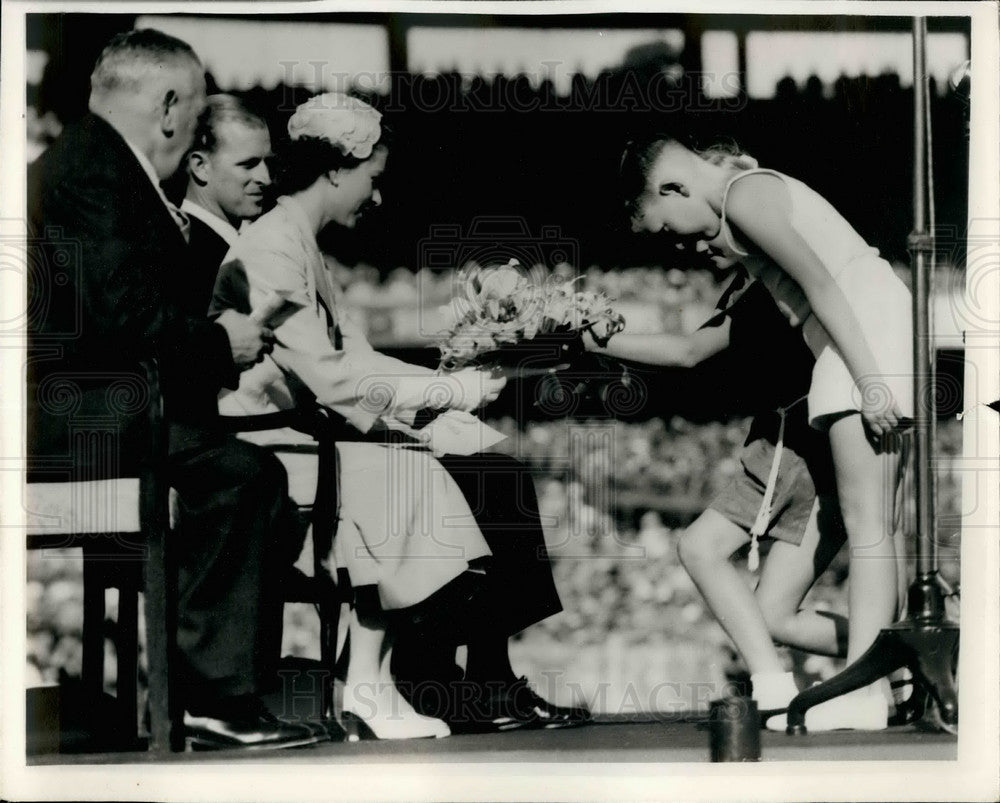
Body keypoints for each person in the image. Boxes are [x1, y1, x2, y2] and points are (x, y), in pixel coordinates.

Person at [211, 92, 590, 737]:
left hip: (316, 432)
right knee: (477, 476)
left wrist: (466, 387)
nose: (378, 197)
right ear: (336, 168)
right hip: (282, 446)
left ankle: (466, 677)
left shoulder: (298, 242)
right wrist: (458, 393)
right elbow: (334, 378)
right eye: (374, 179)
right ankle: (424, 677)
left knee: (492, 464)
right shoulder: (275, 248)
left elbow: (354, 358)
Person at [26, 29, 321, 751]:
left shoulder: (89, 163)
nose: (187, 136)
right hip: (84, 417)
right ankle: (212, 697)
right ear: (167, 107)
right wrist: (226, 342)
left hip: (94, 406)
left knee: (257, 482)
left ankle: (217, 683)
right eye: (191, 120)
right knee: (243, 477)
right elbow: (124, 317)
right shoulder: (96, 173)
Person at [618, 136, 913, 729]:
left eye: (667, 226)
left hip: (859, 333)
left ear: (673, 187)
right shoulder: (744, 207)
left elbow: (826, 286)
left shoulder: (745, 195)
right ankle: (878, 677)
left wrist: (870, 379)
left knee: (868, 524)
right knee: (868, 523)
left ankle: (864, 690)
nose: (681, 244)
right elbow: (694, 347)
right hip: (849, 336)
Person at [178, 94, 273, 313]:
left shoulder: (217, 247)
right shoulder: (193, 257)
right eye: (248, 165)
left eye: (267, 163)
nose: (265, 179)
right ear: (201, 166)